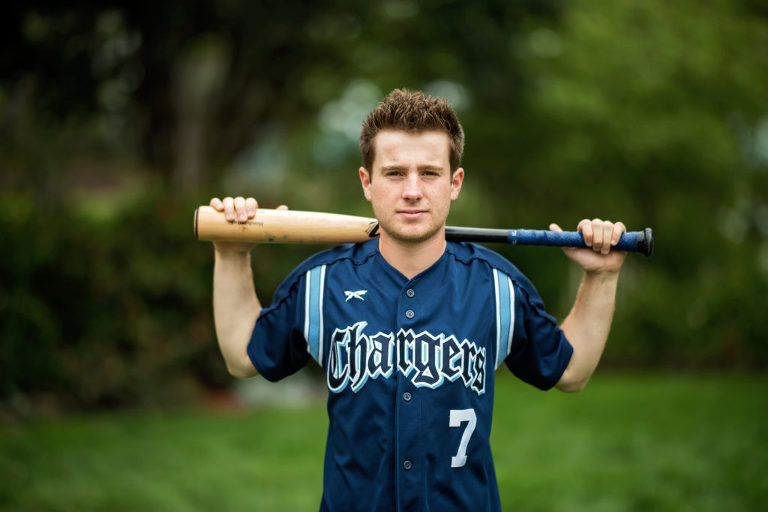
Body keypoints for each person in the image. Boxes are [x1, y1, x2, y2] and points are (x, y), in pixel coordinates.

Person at [208, 89, 628, 511]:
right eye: (394, 173)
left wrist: (601, 276)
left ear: (454, 183)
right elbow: (243, 356)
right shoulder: (322, 284)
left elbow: (570, 370)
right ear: (367, 183)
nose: (412, 190)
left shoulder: (497, 287)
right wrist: (231, 253)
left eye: (429, 173)